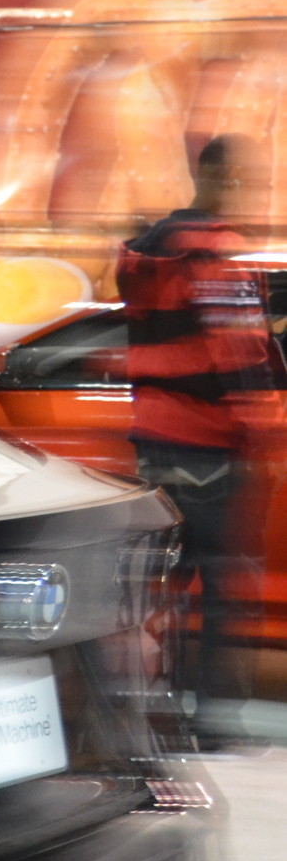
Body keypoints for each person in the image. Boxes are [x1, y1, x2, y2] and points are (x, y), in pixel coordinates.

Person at [117, 134, 286, 722]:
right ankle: (217, 718)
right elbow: (235, 348)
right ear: (224, 179)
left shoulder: (150, 249)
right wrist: (264, 431)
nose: (259, 192)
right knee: (227, 586)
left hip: (155, 439)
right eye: (253, 180)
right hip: (213, 447)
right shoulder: (217, 250)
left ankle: (143, 713)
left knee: (157, 590)